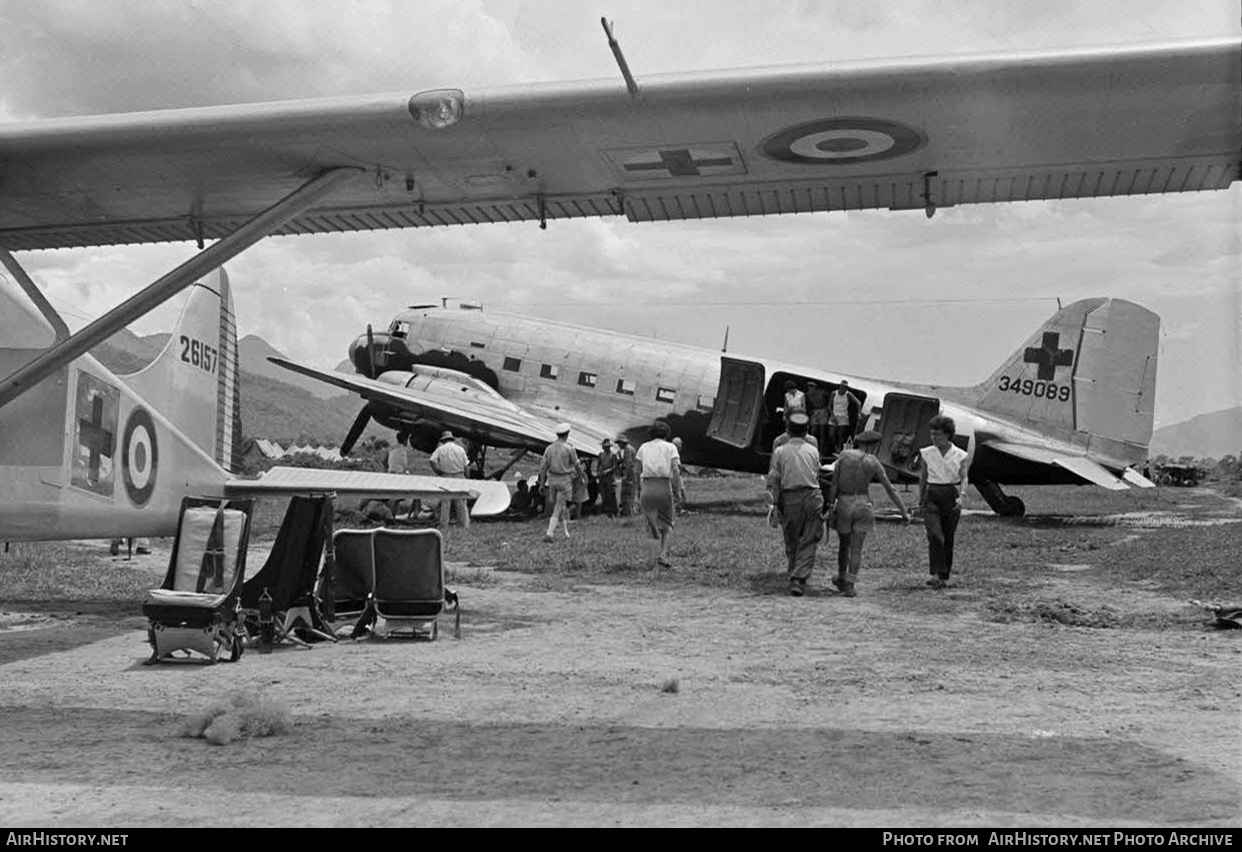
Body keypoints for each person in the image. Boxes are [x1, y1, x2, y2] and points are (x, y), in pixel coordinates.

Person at [826, 430, 910, 597]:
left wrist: (830, 506)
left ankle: (841, 576)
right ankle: (850, 584)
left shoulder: (844, 456)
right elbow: (890, 489)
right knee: (856, 548)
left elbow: (834, 483)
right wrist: (904, 512)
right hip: (863, 503)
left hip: (844, 502)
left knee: (844, 544)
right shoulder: (874, 462)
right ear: (874, 445)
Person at [765, 412, 824, 596]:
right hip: (813, 496)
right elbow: (817, 472)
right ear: (806, 431)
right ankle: (799, 577)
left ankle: (794, 574)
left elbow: (775, 479)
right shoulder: (813, 449)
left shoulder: (780, 451)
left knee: (791, 537)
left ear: (788, 431)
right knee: (810, 538)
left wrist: (775, 504)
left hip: (790, 498)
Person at [918, 415, 972, 589]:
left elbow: (964, 477)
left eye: (938, 435)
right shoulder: (927, 452)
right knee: (934, 534)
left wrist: (961, 496)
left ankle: (943, 576)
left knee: (948, 536)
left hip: (950, 494)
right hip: (931, 493)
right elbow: (923, 476)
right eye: (932, 435)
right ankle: (934, 572)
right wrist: (921, 498)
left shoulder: (960, 455)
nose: (934, 438)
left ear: (948, 435)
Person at [635, 421, 682, 568]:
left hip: (647, 486)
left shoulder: (643, 447)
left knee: (650, 525)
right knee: (667, 525)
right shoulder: (671, 447)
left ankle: (649, 560)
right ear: (666, 434)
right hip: (663, 486)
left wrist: (638, 488)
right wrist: (678, 490)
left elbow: (636, 470)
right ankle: (663, 556)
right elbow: (675, 470)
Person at [539, 423, 584, 541]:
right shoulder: (569, 448)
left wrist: (542, 483)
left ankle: (565, 533)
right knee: (559, 506)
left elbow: (543, 467)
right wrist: (580, 476)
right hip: (564, 480)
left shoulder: (549, 449)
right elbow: (577, 465)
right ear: (567, 434)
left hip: (552, 480)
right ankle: (549, 533)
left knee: (559, 506)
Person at [429, 430, 471, 529]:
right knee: (461, 501)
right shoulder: (460, 449)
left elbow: (432, 460)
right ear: (452, 439)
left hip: (446, 476)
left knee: (446, 502)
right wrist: (467, 477)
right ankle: (464, 524)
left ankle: (444, 524)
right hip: (459, 476)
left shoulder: (440, 449)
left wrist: (438, 471)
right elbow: (466, 466)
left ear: (443, 440)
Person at [828, 381, 862, 455]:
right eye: (842, 387)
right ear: (840, 386)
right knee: (831, 434)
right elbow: (829, 406)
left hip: (843, 416)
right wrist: (832, 415)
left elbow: (858, 403)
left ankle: (839, 449)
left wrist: (859, 413)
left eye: (845, 387)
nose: (844, 388)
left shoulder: (848, 394)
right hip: (834, 415)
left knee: (841, 435)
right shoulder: (834, 393)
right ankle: (834, 447)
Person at [805, 381, 830, 453]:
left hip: (823, 410)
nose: (809, 388)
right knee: (813, 430)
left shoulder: (822, 392)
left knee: (822, 431)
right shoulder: (807, 394)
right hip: (814, 411)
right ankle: (812, 447)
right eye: (808, 387)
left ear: (815, 387)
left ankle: (821, 450)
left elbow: (830, 397)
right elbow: (807, 404)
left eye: (811, 386)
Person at [597, 438, 620, 517]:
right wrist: (598, 472)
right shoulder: (601, 454)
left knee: (611, 494)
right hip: (602, 477)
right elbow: (598, 465)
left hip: (610, 477)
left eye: (606, 446)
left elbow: (615, 466)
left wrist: (607, 471)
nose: (605, 448)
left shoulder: (613, 455)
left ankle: (615, 510)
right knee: (604, 494)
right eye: (604, 446)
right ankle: (607, 511)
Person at [616, 435, 638, 517]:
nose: (618, 445)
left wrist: (625, 476)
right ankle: (626, 513)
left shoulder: (628, 450)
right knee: (626, 495)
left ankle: (629, 514)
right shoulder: (625, 450)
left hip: (630, 475)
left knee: (628, 495)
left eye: (619, 443)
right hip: (629, 474)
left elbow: (628, 464)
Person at [671, 437, 688, 513]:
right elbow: (676, 466)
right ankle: (677, 509)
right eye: (679, 444)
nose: (680, 446)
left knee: (680, 492)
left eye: (680, 444)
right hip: (675, 475)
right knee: (679, 493)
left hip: (677, 475)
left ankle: (679, 508)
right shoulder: (673, 452)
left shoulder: (675, 452)